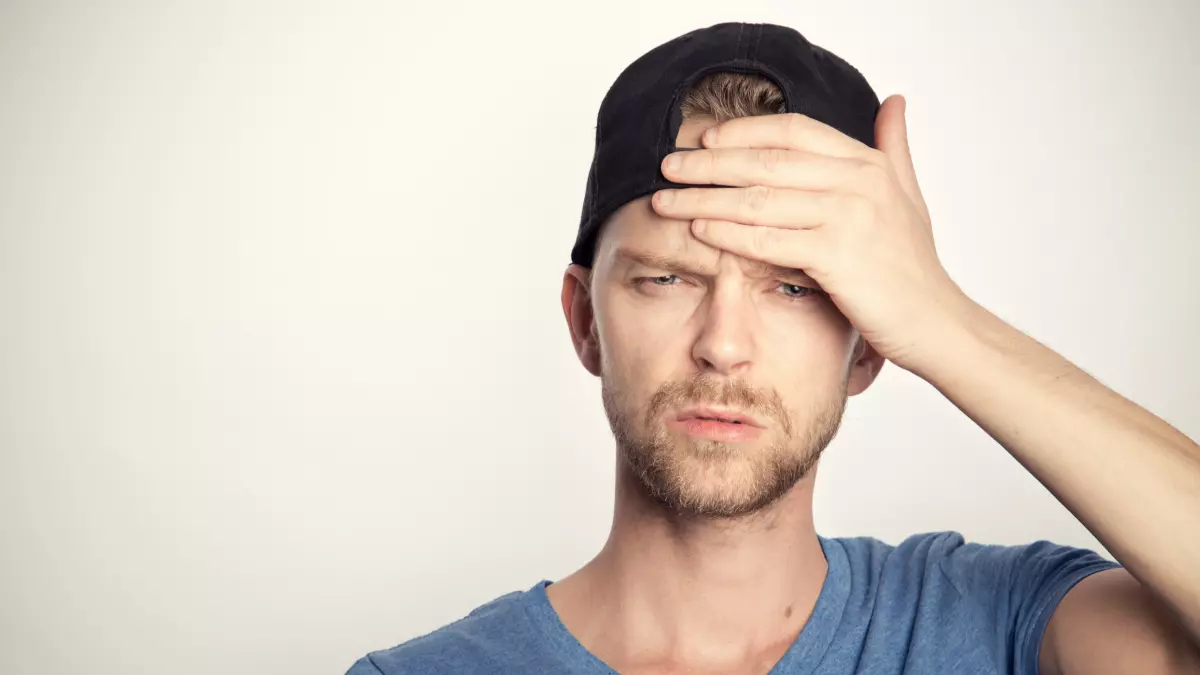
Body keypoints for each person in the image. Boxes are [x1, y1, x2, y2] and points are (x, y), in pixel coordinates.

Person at [346, 22, 1200, 675]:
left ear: (868, 348)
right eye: (666, 280)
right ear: (584, 322)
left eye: (793, 288)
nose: (722, 344)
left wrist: (943, 320)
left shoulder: (999, 624)